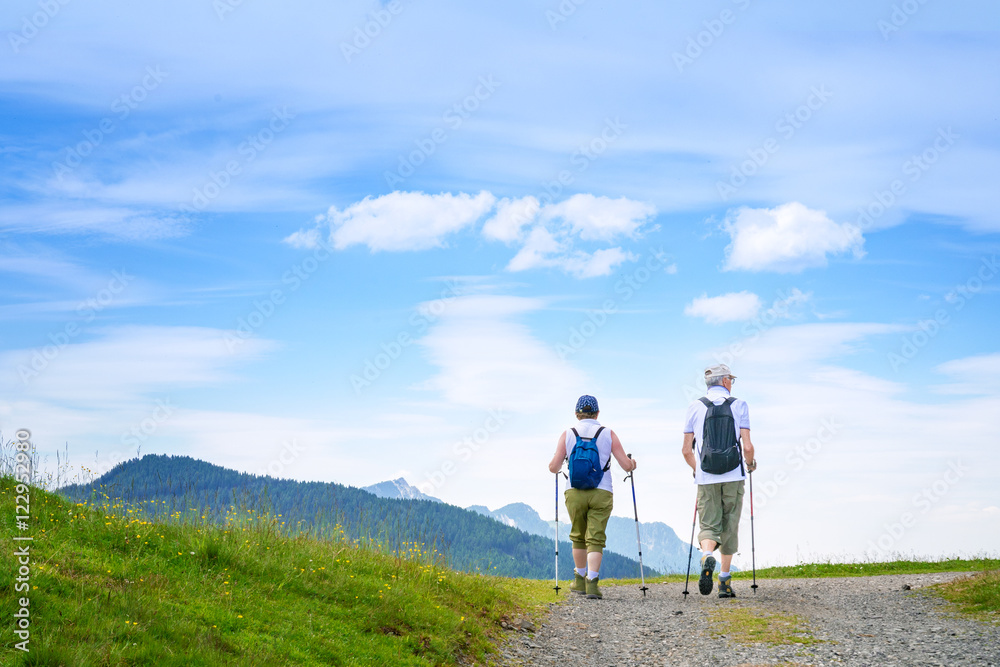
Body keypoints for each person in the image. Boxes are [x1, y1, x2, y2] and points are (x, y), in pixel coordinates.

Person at [548, 395, 636, 599]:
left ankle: (579, 581)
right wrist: (633, 464)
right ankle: (593, 584)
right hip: (602, 491)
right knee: (595, 538)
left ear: (577, 414)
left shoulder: (568, 434)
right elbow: (625, 465)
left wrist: (557, 462)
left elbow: (553, 467)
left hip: (574, 491)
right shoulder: (608, 433)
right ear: (597, 413)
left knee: (578, 535)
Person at [681, 364, 756, 598]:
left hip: (707, 476)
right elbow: (748, 446)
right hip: (734, 474)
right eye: (730, 379)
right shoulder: (739, 405)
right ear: (725, 382)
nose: (731, 383)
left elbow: (686, 450)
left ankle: (707, 556)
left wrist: (698, 470)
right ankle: (724, 581)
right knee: (730, 523)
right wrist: (750, 463)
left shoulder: (694, 407)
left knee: (708, 525)